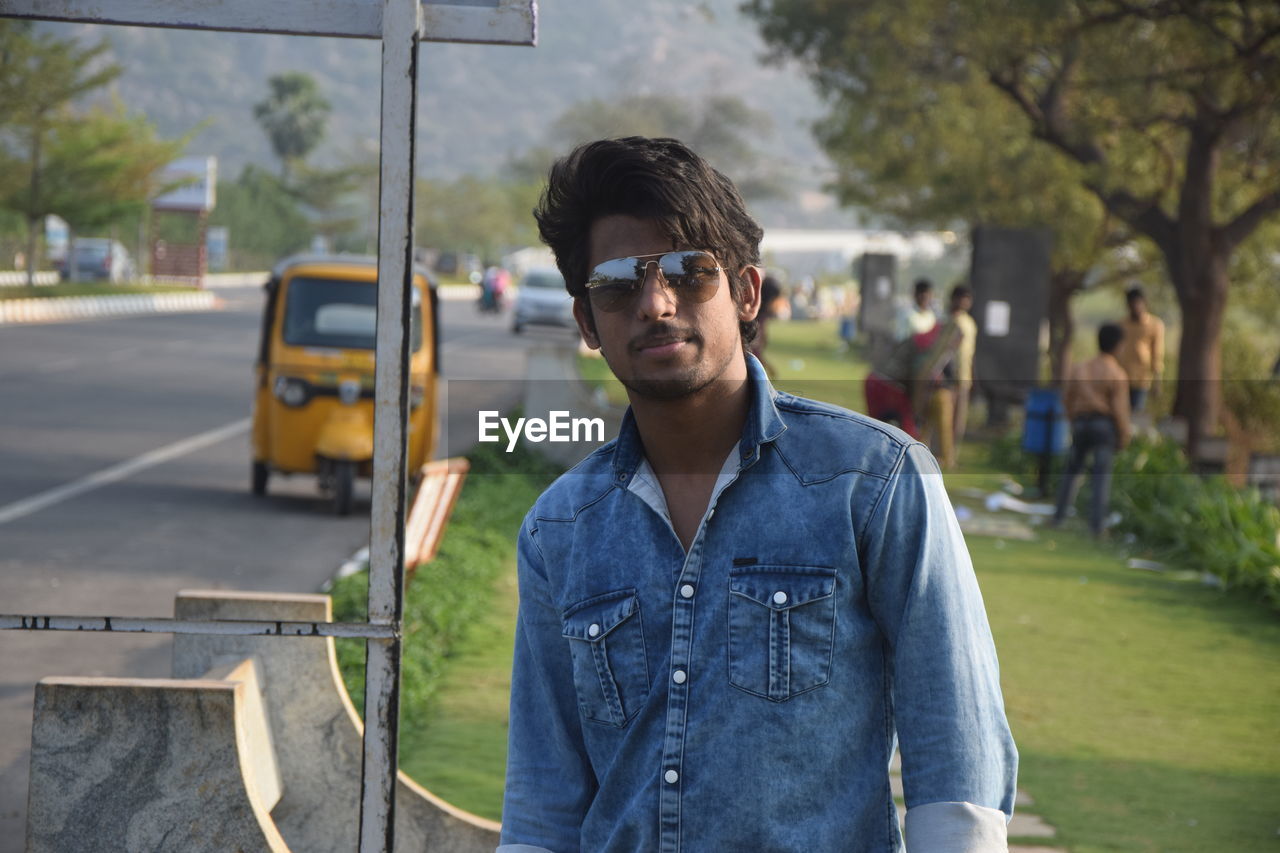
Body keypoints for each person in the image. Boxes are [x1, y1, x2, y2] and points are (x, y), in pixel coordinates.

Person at [499, 136, 1017, 853]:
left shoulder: (876, 481)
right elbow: (542, 806)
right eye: (618, 283)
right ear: (588, 321)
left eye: (688, 271)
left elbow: (957, 747)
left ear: (745, 292)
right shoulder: (559, 528)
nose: (654, 302)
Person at [1053, 323, 1132, 537]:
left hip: (1080, 423)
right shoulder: (1116, 373)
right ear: (1118, 346)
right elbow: (1119, 410)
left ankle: (1058, 517)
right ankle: (1097, 526)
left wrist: (1073, 421)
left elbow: (1067, 398)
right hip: (1104, 426)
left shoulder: (1080, 368)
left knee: (1071, 472)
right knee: (1100, 477)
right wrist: (1124, 435)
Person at [1115, 285, 1164, 413]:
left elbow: (1157, 354)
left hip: (1142, 378)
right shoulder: (1121, 325)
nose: (1135, 307)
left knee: (1137, 414)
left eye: (1138, 303)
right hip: (1121, 378)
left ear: (1144, 303)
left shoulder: (1154, 325)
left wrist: (1157, 382)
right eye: (1132, 303)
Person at [948, 284, 978, 451]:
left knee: (959, 421)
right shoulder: (948, 321)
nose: (963, 302)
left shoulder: (970, 323)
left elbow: (970, 353)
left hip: (964, 377)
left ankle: (952, 453)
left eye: (967, 298)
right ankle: (941, 453)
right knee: (945, 419)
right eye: (960, 297)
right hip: (948, 379)